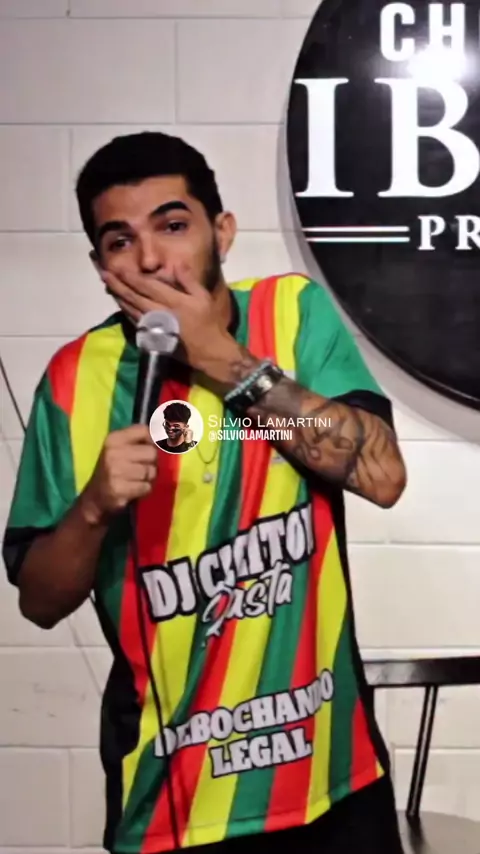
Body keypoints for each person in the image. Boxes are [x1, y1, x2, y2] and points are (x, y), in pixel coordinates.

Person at [2, 131, 407, 854]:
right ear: (100, 267)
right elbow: (40, 600)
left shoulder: (291, 314)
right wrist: (93, 508)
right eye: (120, 241)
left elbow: (382, 477)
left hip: (332, 784)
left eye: (173, 225)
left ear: (222, 232)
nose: (150, 259)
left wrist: (222, 359)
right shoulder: (73, 378)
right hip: (172, 804)